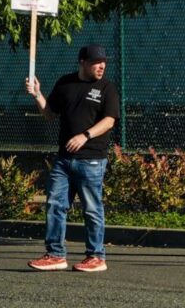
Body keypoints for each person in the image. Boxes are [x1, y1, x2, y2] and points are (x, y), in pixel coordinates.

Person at [25, 44, 120, 273]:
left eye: (104, 61)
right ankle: (56, 254)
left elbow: (109, 120)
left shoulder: (107, 88)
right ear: (82, 63)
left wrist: (85, 136)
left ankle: (96, 256)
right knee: (55, 205)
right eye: (96, 62)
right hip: (64, 159)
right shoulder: (65, 83)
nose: (102, 66)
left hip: (92, 160)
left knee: (91, 208)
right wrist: (37, 94)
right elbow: (49, 113)